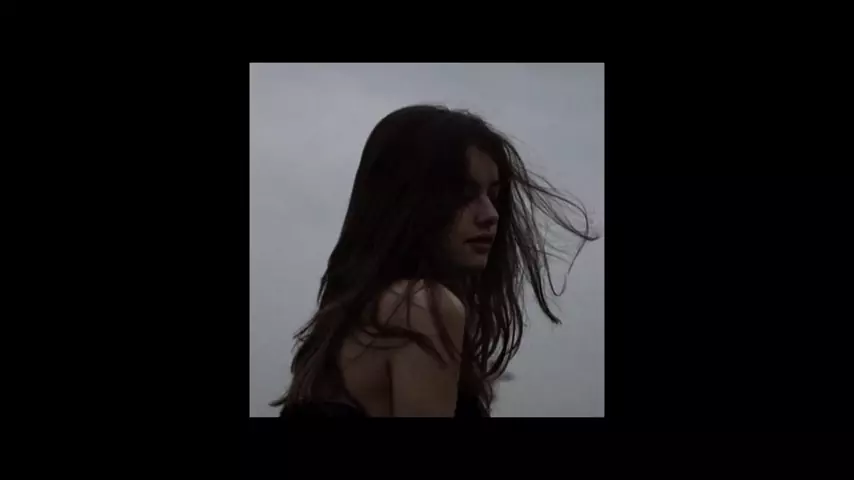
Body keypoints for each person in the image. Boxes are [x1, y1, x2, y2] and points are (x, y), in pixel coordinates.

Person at [272, 104, 599, 417]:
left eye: (494, 195)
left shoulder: (353, 318)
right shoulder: (420, 307)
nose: (490, 215)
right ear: (406, 202)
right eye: (463, 194)